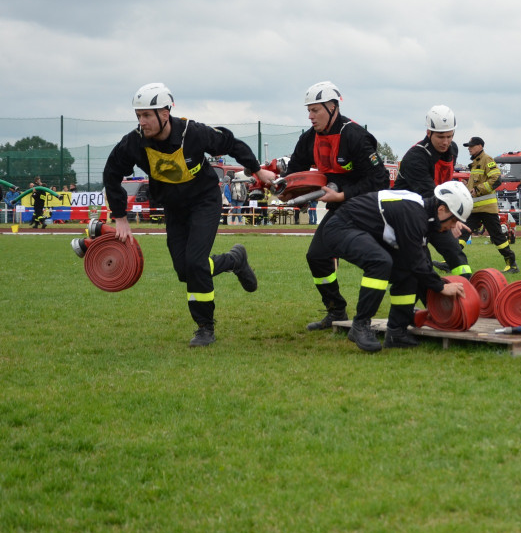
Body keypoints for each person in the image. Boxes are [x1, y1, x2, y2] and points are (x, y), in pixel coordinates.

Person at [103, 83, 276, 347]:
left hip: (205, 201)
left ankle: (205, 327)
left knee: (196, 264)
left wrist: (257, 171)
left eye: (147, 115)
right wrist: (120, 216)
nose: (142, 122)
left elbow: (230, 143)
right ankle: (234, 260)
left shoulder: (192, 133)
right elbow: (112, 173)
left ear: (165, 113)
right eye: (138, 116)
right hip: (175, 208)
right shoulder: (134, 142)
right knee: (185, 271)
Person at [283, 81, 390, 331]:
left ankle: (418, 301)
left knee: (392, 259)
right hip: (340, 207)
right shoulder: (309, 138)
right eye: (308, 111)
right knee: (317, 256)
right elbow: (295, 168)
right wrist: (289, 192)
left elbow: (380, 179)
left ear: (333, 107)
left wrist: (343, 195)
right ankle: (336, 310)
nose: (310, 116)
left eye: (315, 110)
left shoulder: (355, 136)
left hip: (366, 206)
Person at [320, 182, 473, 352]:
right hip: (341, 228)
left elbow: (419, 263)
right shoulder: (414, 214)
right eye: (453, 220)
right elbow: (416, 259)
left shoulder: (425, 216)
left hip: (362, 230)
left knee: (407, 270)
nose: (453, 226)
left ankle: (396, 332)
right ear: (441, 209)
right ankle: (360, 325)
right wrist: (441, 286)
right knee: (380, 262)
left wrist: (436, 303)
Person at [392, 105, 472, 277]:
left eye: (449, 136)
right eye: (440, 137)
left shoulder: (453, 150)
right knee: (422, 264)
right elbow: (429, 193)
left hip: (436, 212)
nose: (445, 142)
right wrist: (453, 219)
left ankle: (468, 296)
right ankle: (428, 301)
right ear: (429, 133)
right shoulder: (415, 158)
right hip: (409, 217)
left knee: (456, 255)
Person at [459, 136, 519, 273]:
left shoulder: (487, 159)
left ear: (480, 146)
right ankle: (451, 261)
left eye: (471, 146)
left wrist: (478, 189)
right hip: (475, 209)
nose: (469, 148)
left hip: (487, 209)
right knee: (462, 234)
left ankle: (512, 264)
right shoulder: (475, 163)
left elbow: (496, 179)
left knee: (497, 237)